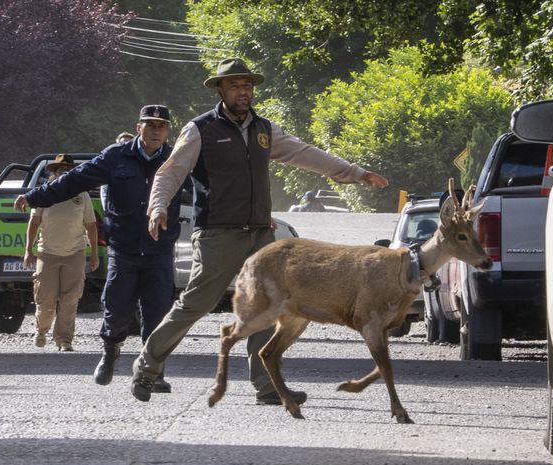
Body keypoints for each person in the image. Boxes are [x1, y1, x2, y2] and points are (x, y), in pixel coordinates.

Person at [130, 57, 389, 403]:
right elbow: (171, 171)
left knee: (270, 305)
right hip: (218, 233)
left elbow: (306, 154)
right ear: (220, 89)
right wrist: (157, 206)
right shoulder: (200, 129)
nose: (243, 91)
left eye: (248, 85)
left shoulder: (265, 129)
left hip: (259, 234)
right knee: (196, 304)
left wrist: (356, 173)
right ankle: (146, 369)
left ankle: (267, 386)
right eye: (235, 85)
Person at [14, 105, 190, 391]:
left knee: (158, 313)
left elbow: (210, 188)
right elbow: (73, 180)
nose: (156, 130)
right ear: (138, 128)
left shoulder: (176, 158)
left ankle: (152, 372)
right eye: (150, 124)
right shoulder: (115, 157)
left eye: (162, 125)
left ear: (168, 130)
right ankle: (110, 353)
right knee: (118, 309)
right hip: (124, 249)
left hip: (159, 250)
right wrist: (36, 196)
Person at [23, 154, 99, 351]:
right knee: (46, 298)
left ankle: (64, 339)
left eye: (67, 169)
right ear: (54, 173)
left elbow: (91, 225)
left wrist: (95, 253)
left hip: (74, 253)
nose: (63, 172)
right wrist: (28, 250)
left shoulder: (81, 195)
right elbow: (34, 223)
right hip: (47, 253)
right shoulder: (43, 194)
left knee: (70, 299)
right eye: (59, 169)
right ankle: (41, 330)